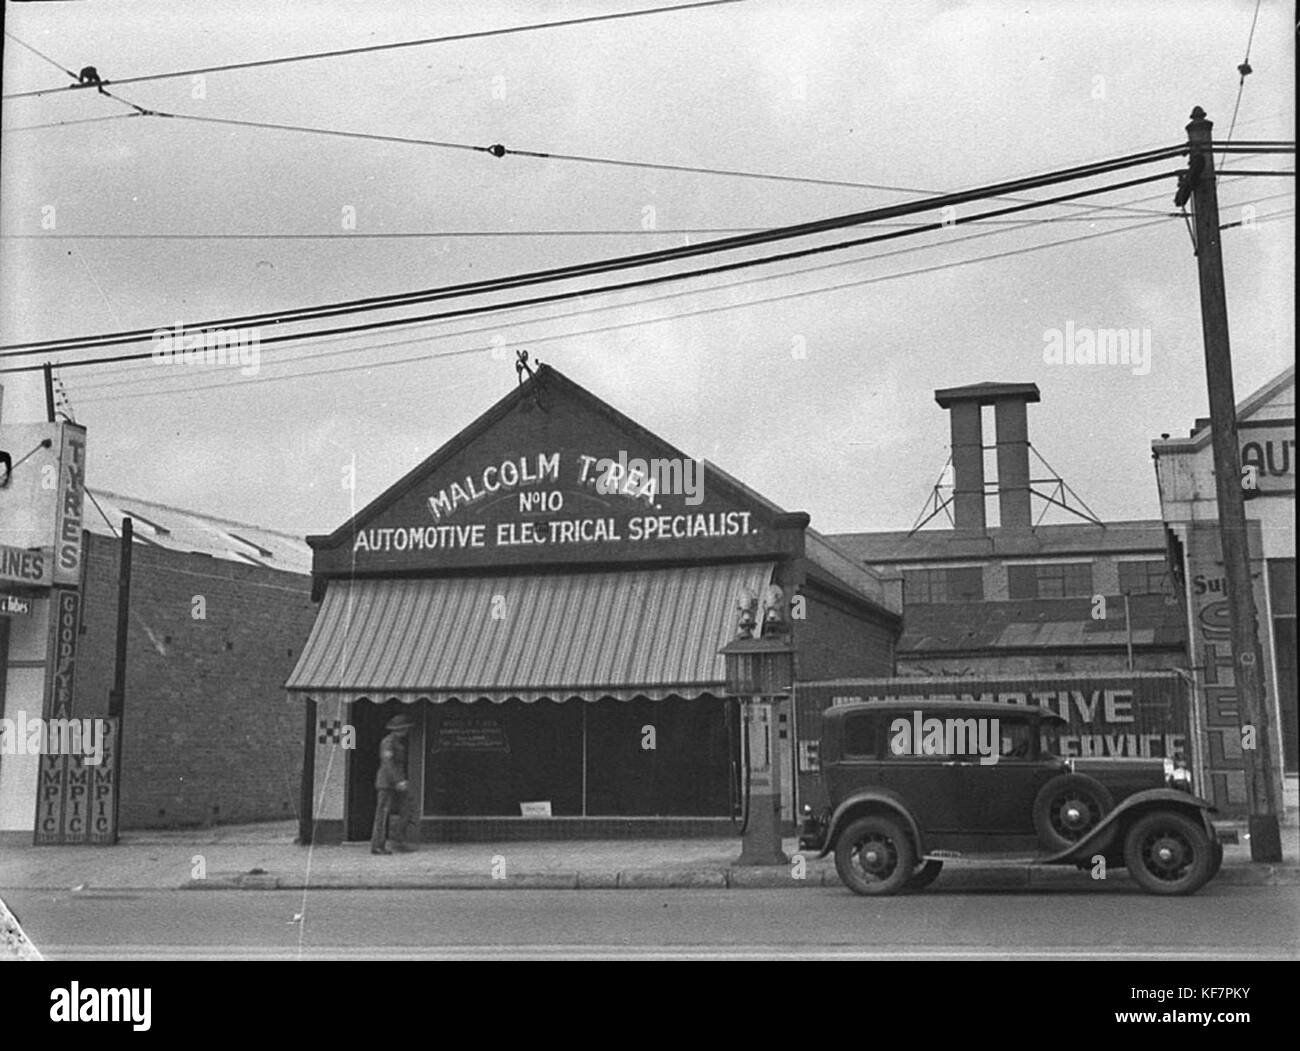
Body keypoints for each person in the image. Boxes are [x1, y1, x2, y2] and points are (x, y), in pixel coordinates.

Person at [371, 714, 415, 855]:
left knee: (406, 808)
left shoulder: (397, 742)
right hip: (387, 783)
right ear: (399, 729)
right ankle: (378, 845)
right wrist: (398, 781)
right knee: (382, 813)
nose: (407, 731)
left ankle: (398, 840)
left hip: (396, 782)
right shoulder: (388, 742)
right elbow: (388, 763)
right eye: (405, 728)